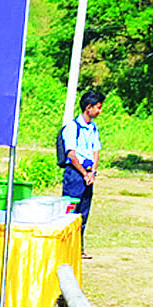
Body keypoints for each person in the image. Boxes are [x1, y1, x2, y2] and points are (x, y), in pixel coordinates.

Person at [61, 90, 104, 256]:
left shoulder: (93, 128)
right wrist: (84, 173)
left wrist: (92, 172)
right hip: (75, 174)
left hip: (88, 174)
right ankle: (65, 248)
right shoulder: (72, 127)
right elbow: (71, 154)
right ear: (88, 107)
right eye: (98, 107)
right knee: (70, 211)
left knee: (83, 212)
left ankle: (78, 248)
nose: (100, 111)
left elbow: (96, 151)